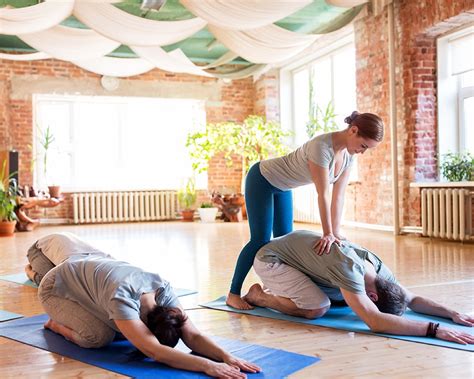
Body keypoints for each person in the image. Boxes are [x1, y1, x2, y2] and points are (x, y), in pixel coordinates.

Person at [25, 233, 261, 378]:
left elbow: (193, 335)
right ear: (145, 324)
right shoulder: (122, 298)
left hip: (86, 273)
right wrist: (208, 366)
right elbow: (153, 351)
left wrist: (227, 357)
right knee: (99, 337)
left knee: (121, 331)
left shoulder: (163, 290)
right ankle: (55, 324)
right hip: (55, 286)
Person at [227, 111, 384, 309]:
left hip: (283, 187)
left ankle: (276, 288)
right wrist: (326, 233)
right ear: (353, 130)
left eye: (367, 149)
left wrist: (335, 233)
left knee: (286, 242)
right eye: (363, 146)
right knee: (260, 240)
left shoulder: (347, 157)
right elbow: (323, 194)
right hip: (262, 179)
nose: (363, 151)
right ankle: (233, 294)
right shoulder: (321, 147)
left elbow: (339, 196)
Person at [242, 230, 474, 345]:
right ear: (372, 296)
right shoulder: (350, 271)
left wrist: (451, 313)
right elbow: (375, 321)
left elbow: (411, 298)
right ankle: (260, 296)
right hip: (271, 259)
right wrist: (434, 329)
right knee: (317, 308)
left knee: (337, 298)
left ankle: (286, 288)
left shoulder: (381, 274)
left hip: (299, 258)